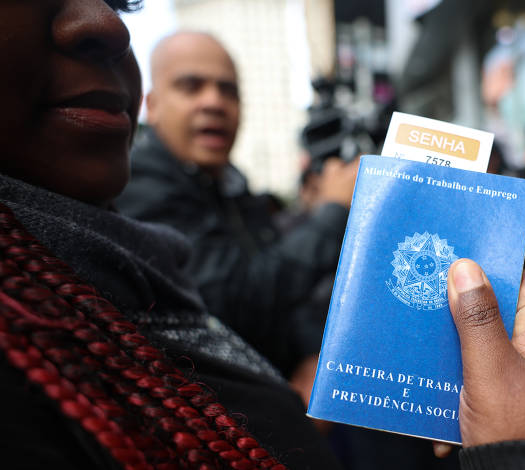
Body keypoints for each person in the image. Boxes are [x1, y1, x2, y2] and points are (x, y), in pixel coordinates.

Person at [0, 1, 525, 470]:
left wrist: (325, 356)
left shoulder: (225, 193)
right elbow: (238, 296)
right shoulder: (42, 340)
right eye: (191, 86)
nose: (106, 24)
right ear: (155, 107)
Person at [115, 31, 357, 378]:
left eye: (229, 90)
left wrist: (311, 361)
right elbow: (234, 302)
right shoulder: (139, 183)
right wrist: (333, 211)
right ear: (151, 105)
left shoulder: (229, 184)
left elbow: (281, 288)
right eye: (191, 86)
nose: (214, 101)